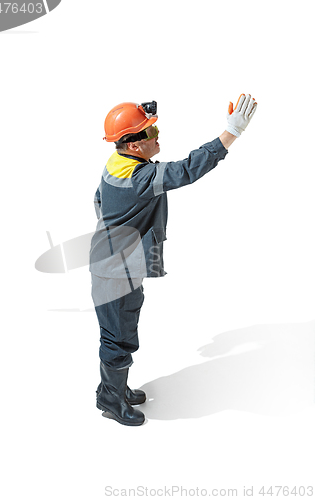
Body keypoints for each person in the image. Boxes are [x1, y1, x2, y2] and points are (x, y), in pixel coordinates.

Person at [89, 95, 257, 426]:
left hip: (115, 265)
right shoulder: (138, 180)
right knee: (117, 336)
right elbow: (185, 171)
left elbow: (97, 200)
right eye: (152, 133)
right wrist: (230, 133)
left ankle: (115, 387)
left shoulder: (116, 164)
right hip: (115, 273)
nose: (158, 136)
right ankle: (110, 399)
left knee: (122, 327)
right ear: (134, 145)